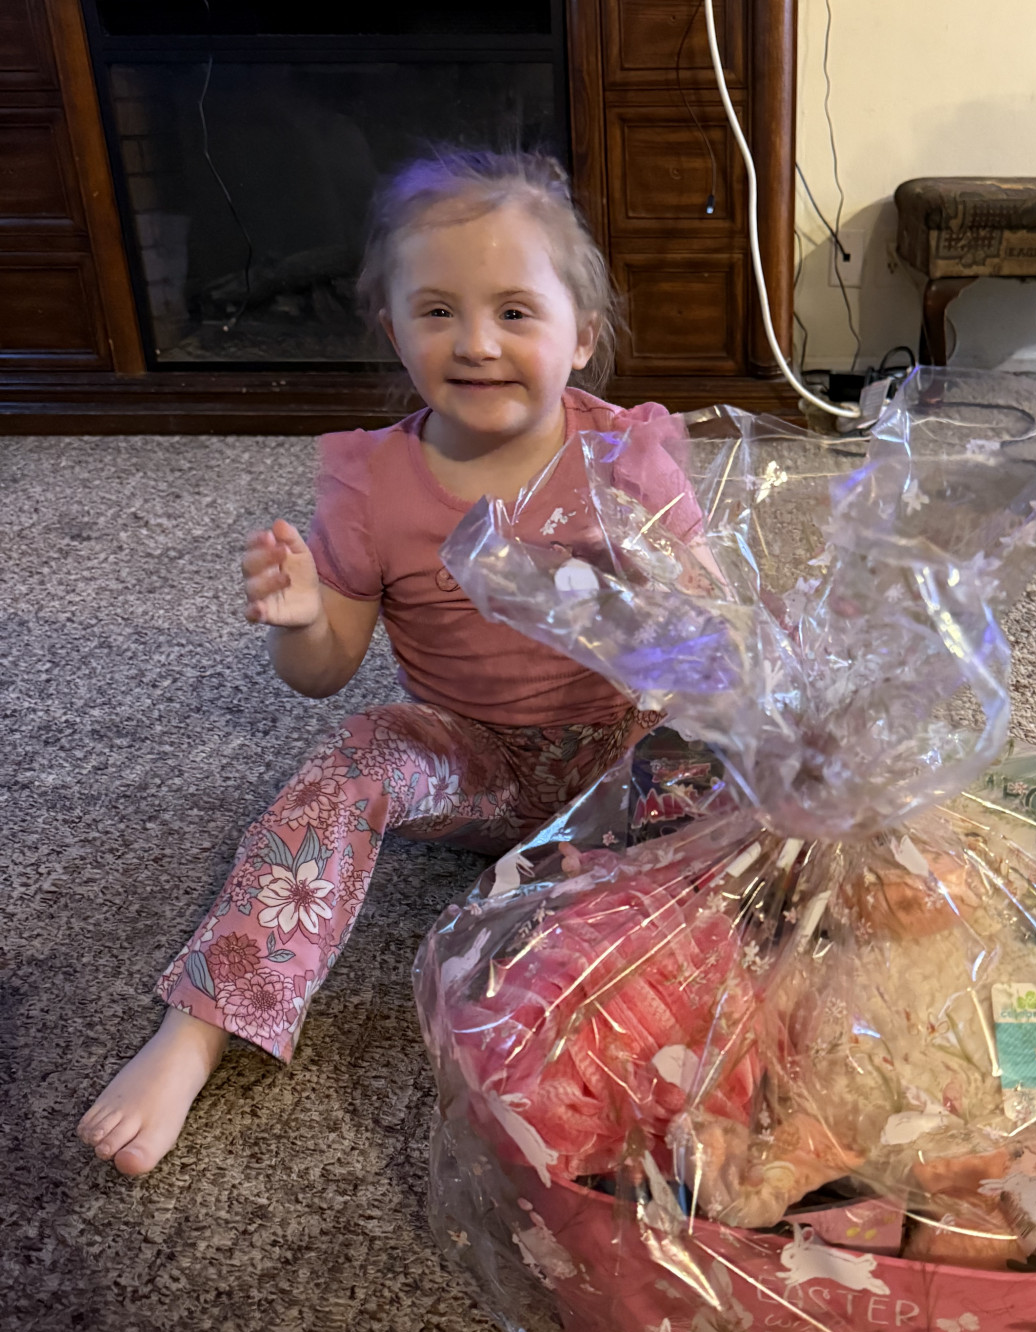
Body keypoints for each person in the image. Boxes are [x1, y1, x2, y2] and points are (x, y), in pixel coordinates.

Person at [78, 149, 703, 1178]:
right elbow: (325, 670)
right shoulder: (372, 481)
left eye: (515, 311)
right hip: (470, 761)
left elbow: (710, 632)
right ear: (392, 329)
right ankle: (200, 1026)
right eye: (438, 311)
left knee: (763, 766)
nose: (477, 342)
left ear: (583, 336)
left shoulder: (627, 457)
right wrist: (298, 618)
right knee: (354, 754)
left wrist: (663, 595)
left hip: (621, 757)